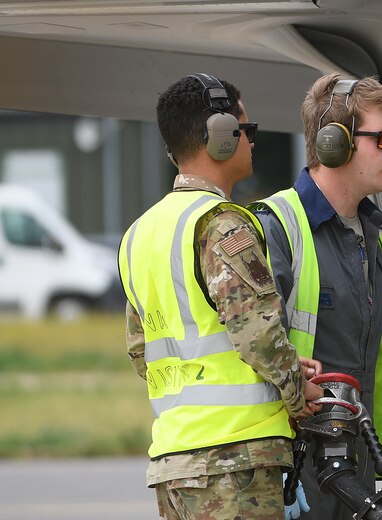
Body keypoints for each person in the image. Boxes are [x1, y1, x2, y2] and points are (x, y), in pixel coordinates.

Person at [117, 73, 324, 520]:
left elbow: (141, 352)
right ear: (221, 138)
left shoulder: (139, 234)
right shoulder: (222, 224)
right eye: (246, 131)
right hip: (235, 466)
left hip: (175, 464)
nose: (252, 141)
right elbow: (257, 335)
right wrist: (294, 389)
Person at [249, 73, 382, 519]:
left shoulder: (369, 231)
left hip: (354, 469)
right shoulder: (277, 227)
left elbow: (376, 360)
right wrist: (277, 468)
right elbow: (253, 354)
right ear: (334, 144)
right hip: (295, 471)